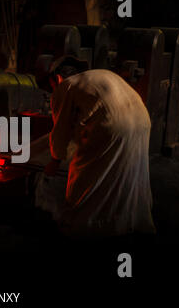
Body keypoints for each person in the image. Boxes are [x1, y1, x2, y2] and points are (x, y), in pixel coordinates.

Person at [34, 55, 156, 238]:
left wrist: (55, 160)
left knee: (87, 178)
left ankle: (84, 227)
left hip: (112, 127)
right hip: (142, 122)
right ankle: (128, 222)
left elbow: (61, 130)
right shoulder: (101, 75)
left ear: (57, 78)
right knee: (126, 174)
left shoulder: (66, 86)